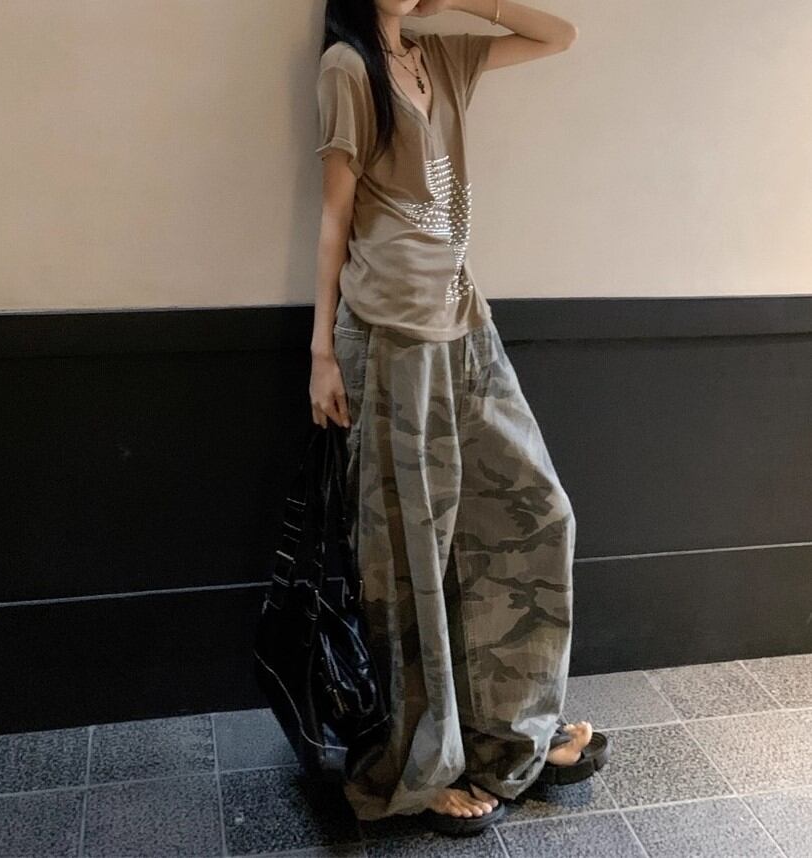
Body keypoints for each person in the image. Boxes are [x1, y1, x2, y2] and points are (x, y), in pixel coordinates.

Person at [309, 0, 608, 837]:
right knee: (411, 564)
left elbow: (558, 35)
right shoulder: (348, 68)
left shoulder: (440, 54)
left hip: (465, 326)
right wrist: (322, 351)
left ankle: (511, 730)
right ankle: (422, 768)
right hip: (392, 337)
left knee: (535, 513)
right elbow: (334, 214)